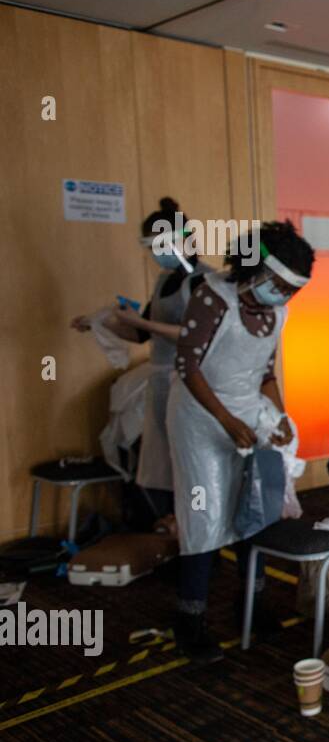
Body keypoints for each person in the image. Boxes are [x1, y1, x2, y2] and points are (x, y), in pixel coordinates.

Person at [167, 221, 314, 663]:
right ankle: (189, 618)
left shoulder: (278, 312)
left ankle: (251, 603)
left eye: (293, 291)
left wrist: (281, 417)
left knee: (255, 510)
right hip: (199, 415)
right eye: (280, 285)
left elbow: (266, 374)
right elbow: (187, 366)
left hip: (248, 411)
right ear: (256, 268)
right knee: (205, 515)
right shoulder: (213, 296)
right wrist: (226, 420)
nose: (285, 297)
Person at [70, 197, 211, 516]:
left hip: (192, 382)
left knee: (192, 466)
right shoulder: (164, 282)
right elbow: (142, 335)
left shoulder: (204, 281)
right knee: (160, 472)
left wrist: (141, 322)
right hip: (160, 381)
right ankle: (169, 534)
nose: (157, 254)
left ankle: (200, 543)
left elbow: (198, 333)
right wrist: (102, 324)